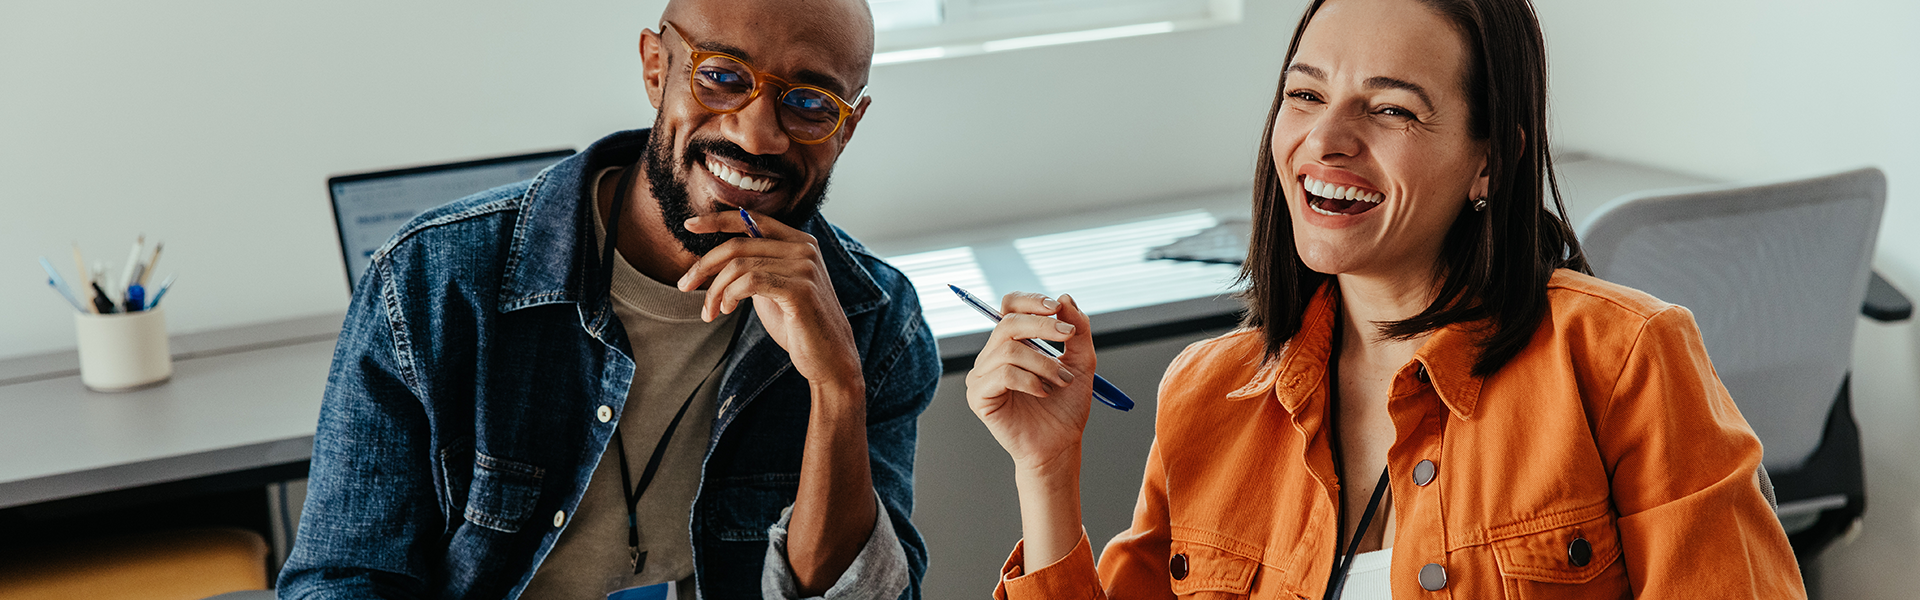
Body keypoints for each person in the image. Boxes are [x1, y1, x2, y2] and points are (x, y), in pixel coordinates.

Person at [963, 0, 1806, 597]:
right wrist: (1046, 470)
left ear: (1491, 162)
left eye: (1392, 109)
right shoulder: (1207, 393)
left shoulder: (1623, 359)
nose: (1325, 142)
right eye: (1304, 94)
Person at [277, 0, 940, 598]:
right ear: (657, 68)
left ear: (847, 128)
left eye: (811, 104)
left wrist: (836, 390)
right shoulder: (432, 280)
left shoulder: (877, 320)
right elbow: (343, 581)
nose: (758, 136)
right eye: (724, 77)